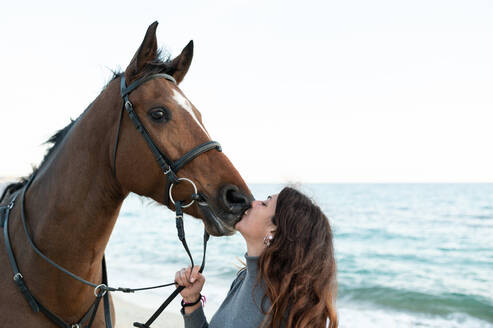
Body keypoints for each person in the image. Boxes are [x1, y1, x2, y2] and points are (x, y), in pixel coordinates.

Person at [175, 187, 338, 328]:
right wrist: (192, 300)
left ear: (273, 232)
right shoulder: (243, 277)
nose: (253, 202)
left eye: (265, 203)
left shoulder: (284, 304)